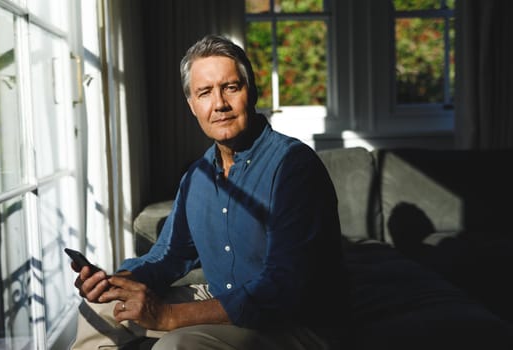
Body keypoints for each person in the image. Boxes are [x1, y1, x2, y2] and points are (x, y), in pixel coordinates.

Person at [70, 34, 349, 350]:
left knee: (177, 345)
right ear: (192, 105)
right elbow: (169, 256)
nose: (220, 104)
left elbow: (283, 287)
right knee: (101, 308)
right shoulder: (197, 175)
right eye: (205, 93)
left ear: (251, 92)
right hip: (225, 302)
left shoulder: (294, 167)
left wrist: (170, 316)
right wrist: (115, 283)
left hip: (294, 323)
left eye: (231, 87)